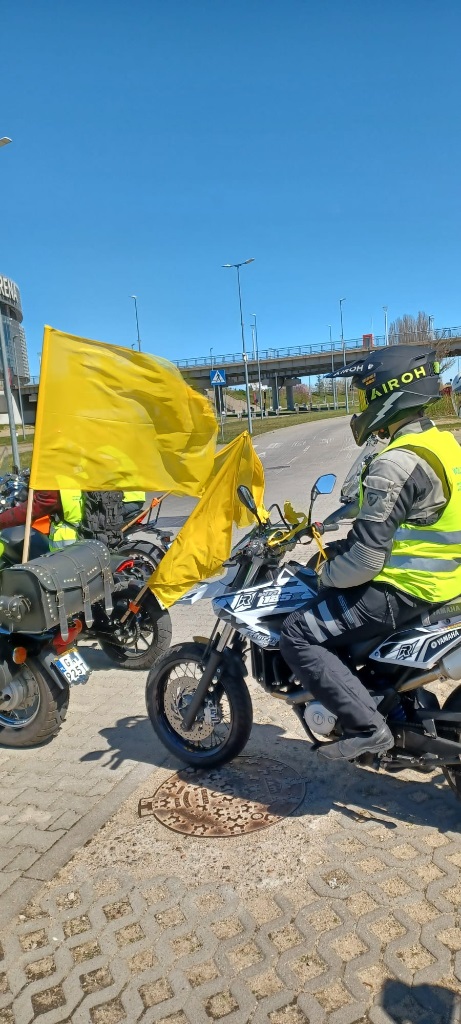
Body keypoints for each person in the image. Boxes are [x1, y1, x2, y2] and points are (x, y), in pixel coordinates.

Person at [280, 345, 461, 761]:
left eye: (365, 394)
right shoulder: (443, 444)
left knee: (298, 631)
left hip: (405, 589)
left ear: (387, 393)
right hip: (446, 582)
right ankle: (383, 699)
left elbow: (364, 561)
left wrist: (324, 575)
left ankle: (367, 728)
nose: (362, 407)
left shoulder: (395, 463)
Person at [0, 489, 83, 550]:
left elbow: (30, 509)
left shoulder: (55, 487)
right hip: (84, 537)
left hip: (66, 544)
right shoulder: (79, 478)